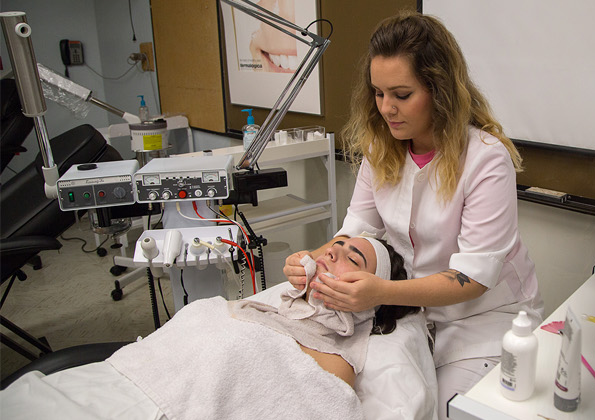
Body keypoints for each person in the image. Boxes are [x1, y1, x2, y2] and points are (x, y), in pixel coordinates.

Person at [282, 12, 542, 412]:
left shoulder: (486, 159)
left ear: (439, 90)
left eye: (402, 95)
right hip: (409, 314)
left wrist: (382, 291)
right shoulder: (380, 148)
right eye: (378, 93)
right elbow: (358, 229)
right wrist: (312, 258)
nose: (386, 108)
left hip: (480, 320)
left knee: (445, 410)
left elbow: (473, 276)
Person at [1, 237, 420, 419]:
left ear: (370, 295)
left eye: (353, 259)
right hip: (113, 384)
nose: (332, 253)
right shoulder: (268, 306)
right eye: (336, 245)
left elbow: (319, 405)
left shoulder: (339, 356)